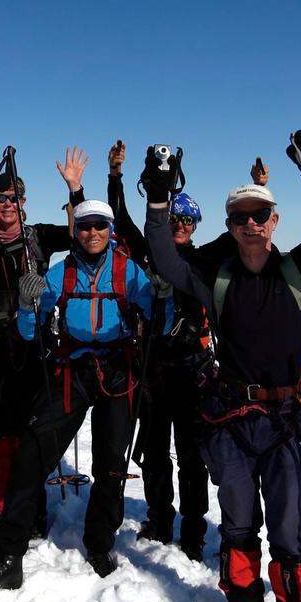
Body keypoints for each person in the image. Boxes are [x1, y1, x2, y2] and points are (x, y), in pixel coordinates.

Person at [144, 131, 301, 602]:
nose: (252, 225)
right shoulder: (218, 278)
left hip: (286, 425)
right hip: (232, 421)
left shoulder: (298, 271)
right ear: (230, 227)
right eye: (241, 218)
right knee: (238, 528)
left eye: (261, 216)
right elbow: (164, 256)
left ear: (273, 221)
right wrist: (158, 200)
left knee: (287, 534)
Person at [0, 200, 162, 593]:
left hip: (118, 373)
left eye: (99, 226)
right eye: (85, 226)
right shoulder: (60, 273)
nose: (91, 233)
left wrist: (164, 299)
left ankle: (100, 543)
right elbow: (29, 329)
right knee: (32, 455)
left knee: (110, 463)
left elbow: (157, 319)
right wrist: (26, 304)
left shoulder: (129, 272)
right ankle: (9, 555)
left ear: (110, 230)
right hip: (72, 370)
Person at [0, 143, 88, 531]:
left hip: (35, 341)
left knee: (32, 424)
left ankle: (30, 504)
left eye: (14, 197)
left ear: (23, 201)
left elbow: (81, 236)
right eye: (0, 198)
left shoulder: (38, 237)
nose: (7, 204)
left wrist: (75, 190)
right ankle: (2, 499)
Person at [103, 140, 212, 561]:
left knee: (190, 455)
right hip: (152, 366)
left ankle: (194, 530)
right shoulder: (149, 250)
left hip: (188, 368)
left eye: (188, 219)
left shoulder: (202, 262)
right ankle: (161, 519)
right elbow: (124, 219)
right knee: (153, 450)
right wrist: (115, 176)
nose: (181, 224)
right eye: (177, 217)